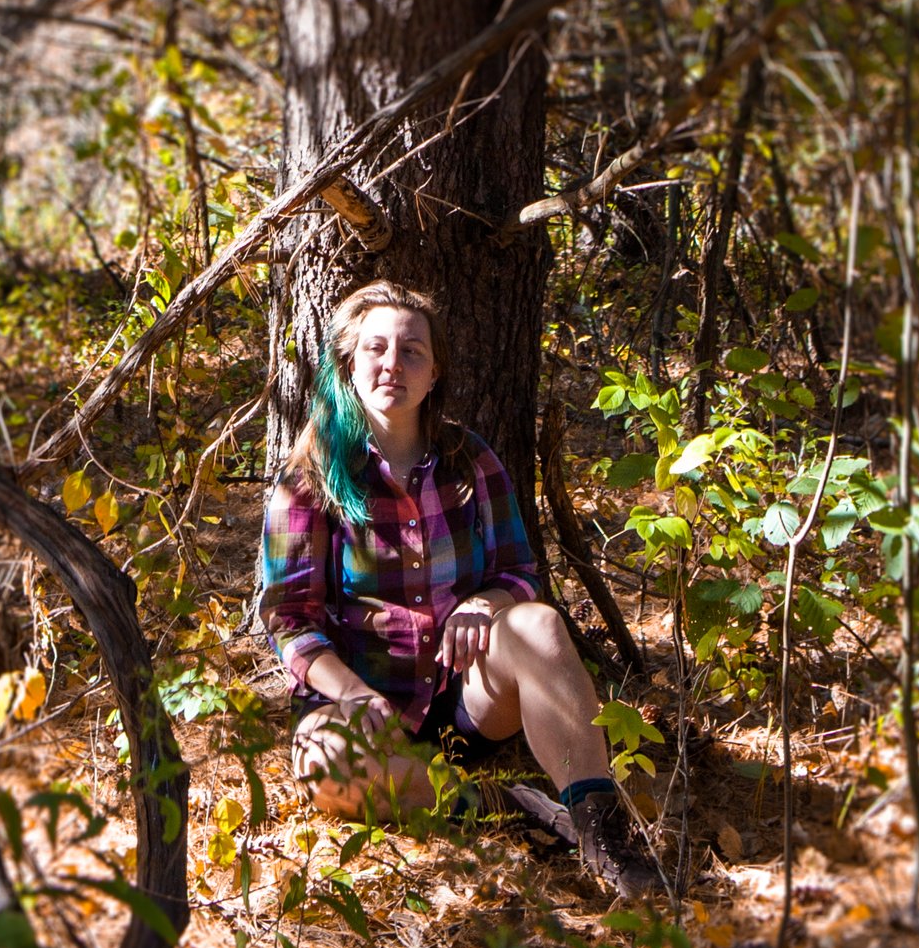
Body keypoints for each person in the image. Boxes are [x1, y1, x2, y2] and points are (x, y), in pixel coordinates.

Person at [254, 277, 661, 904]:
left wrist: (486, 604)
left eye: (412, 350)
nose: (393, 364)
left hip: (462, 697)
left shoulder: (469, 459)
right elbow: (289, 621)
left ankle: (602, 836)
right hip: (361, 711)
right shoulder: (310, 477)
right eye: (376, 349)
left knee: (540, 625)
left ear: (435, 370)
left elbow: (521, 571)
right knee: (323, 765)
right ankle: (504, 805)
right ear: (347, 362)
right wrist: (354, 694)